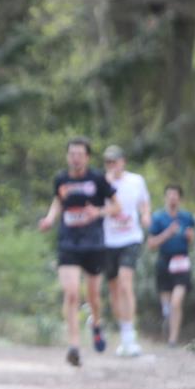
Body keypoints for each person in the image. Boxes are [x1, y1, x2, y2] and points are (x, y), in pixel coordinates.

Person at [38, 138, 120, 367]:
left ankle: (96, 323)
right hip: (68, 244)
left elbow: (117, 206)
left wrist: (98, 212)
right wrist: (49, 219)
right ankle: (74, 345)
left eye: (79, 154)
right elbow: (58, 202)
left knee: (93, 296)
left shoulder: (97, 179)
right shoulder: (61, 179)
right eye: (71, 153)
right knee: (72, 293)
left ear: (87, 157)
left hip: (93, 244)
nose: (75, 158)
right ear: (67, 157)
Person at [101, 145, 151, 357]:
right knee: (113, 289)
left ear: (123, 161)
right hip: (108, 240)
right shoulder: (101, 183)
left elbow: (144, 202)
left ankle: (131, 337)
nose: (112, 166)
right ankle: (124, 334)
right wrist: (107, 185)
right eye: (108, 162)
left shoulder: (136, 180)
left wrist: (146, 215)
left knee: (125, 281)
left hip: (131, 238)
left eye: (115, 161)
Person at [147, 185, 195, 347]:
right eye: (170, 195)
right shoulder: (158, 218)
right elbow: (151, 244)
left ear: (180, 198)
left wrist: (189, 237)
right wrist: (168, 233)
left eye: (175, 195)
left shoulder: (187, 217)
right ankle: (167, 321)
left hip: (181, 261)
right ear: (165, 198)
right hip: (164, 261)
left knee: (176, 302)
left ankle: (173, 339)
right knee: (167, 306)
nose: (173, 198)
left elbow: (191, 239)